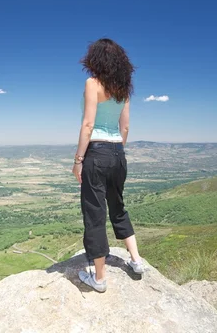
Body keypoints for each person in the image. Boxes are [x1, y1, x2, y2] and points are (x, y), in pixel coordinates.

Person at [72, 38, 144, 293]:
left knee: (94, 214)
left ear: (95, 59)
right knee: (118, 206)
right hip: (117, 152)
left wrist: (79, 159)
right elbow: (125, 127)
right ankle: (136, 261)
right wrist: (116, 151)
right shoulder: (123, 89)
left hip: (97, 151)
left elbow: (88, 125)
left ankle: (99, 279)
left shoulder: (93, 84)